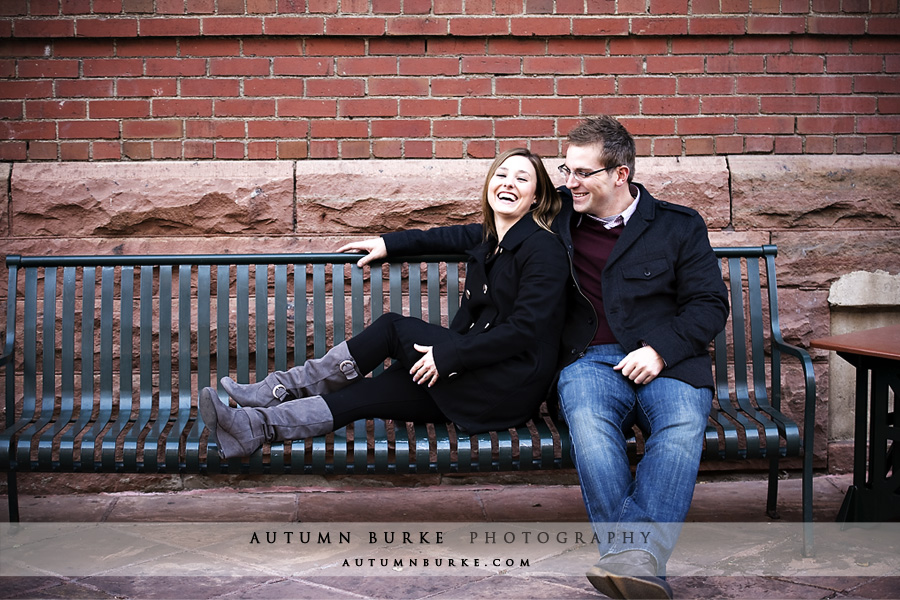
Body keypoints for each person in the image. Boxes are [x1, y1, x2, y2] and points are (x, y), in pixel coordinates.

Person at [199, 148, 569, 460]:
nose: (508, 182)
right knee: (364, 395)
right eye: (501, 174)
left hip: (505, 385)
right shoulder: (491, 237)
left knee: (394, 328)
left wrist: (450, 355)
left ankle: (277, 388)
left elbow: (524, 330)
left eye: (522, 178)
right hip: (474, 379)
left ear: (537, 196)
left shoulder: (543, 247)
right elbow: (443, 237)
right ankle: (254, 427)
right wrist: (388, 244)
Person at [554, 116, 729, 599]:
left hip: (669, 360)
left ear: (620, 174)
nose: (570, 183)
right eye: (566, 170)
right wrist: (390, 241)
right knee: (589, 426)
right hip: (589, 360)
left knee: (680, 426)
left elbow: (710, 304)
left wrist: (660, 350)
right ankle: (639, 563)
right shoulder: (557, 221)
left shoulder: (677, 225)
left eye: (582, 173)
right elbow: (478, 231)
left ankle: (627, 559)